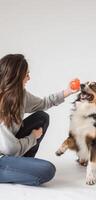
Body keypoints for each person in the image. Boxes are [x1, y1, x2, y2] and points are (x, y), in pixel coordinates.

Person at [0, 54, 79, 186]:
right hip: (5, 154)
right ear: (16, 77)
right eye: (26, 75)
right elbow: (10, 149)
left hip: (8, 150)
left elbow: (42, 103)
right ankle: (15, 169)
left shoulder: (20, 95)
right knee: (46, 170)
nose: (29, 78)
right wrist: (32, 137)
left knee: (41, 117)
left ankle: (20, 166)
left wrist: (67, 91)